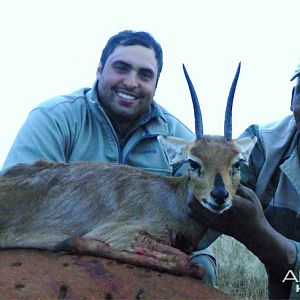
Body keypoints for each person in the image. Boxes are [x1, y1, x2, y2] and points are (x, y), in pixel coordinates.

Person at [1, 30, 216, 285]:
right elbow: (19, 194)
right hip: (75, 225)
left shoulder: (178, 137)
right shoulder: (55, 117)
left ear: (156, 84)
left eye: (145, 75)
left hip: (153, 234)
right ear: (100, 69)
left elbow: (202, 201)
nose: (131, 82)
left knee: (203, 269)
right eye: (121, 68)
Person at [188, 61, 300, 299]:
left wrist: (273, 243)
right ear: (293, 98)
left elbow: (285, 258)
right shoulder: (262, 143)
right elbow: (196, 202)